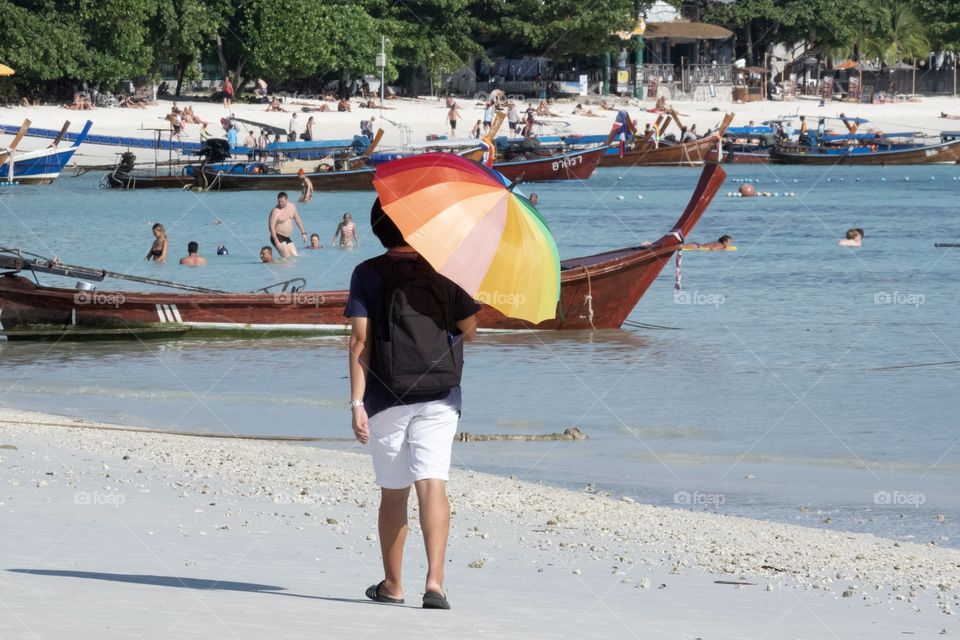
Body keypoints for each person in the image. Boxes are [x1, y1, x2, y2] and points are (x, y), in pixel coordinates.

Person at [345, 198, 479, 610]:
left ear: (377, 229)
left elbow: (359, 342)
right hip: (440, 394)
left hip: (386, 395)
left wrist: (356, 403)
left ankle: (393, 585)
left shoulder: (366, 272)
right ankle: (435, 583)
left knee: (394, 492)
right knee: (433, 484)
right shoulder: (448, 268)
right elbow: (470, 332)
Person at [268, 192, 307, 257]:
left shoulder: (292, 207)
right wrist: (276, 241)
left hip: (286, 237)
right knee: (287, 258)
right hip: (277, 236)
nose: (280, 203)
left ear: (286, 200)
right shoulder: (275, 211)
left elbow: (298, 219)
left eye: (282, 201)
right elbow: (271, 227)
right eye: (279, 201)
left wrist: (303, 233)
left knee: (295, 256)